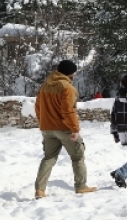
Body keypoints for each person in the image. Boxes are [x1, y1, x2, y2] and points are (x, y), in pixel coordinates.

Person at [34, 60, 98, 199]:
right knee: (77, 156)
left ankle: (40, 190)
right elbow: (68, 111)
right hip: (64, 129)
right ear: (71, 73)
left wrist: (43, 123)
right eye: (74, 72)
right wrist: (75, 129)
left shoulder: (44, 85)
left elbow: (38, 107)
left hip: (47, 128)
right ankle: (81, 186)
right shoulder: (67, 88)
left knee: (48, 158)